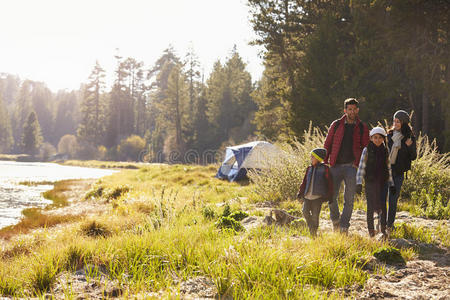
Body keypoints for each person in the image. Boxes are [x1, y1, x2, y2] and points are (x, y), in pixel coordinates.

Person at [324, 98, 369, 233]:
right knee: (331, 196)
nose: (352, 111)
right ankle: (335, 221)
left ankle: (344, 226)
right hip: (335, 166)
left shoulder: (362, 127)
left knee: (349, 199)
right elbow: (328, 144)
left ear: (357, 110)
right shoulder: (336, 125)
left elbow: (366, 148)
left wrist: (359, 165)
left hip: (352, 167)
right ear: (345, 110)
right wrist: (324, 162)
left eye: (354, 109)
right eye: (349, 109)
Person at [356, 127, 395, 238]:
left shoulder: (385, 150)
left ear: (383, 139)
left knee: (383, 204)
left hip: (383, 182)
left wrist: (391, 184)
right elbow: (361, 167)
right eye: (375, 138)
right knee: (370, 206)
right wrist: (359, 183)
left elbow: (388, 168)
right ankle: (371, 230)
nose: (377, 140)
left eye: (380, 138)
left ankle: (383, 229)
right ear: (371, 138)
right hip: (370, 181)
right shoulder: (367, 150)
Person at [386, 110, 417, 231]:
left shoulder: (410, 138)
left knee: (393, 200)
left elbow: (414, 156)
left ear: (404, 123)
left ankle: (390, 225)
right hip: (386, 171)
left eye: (398, 121)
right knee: (383, 198)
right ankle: (382, 223)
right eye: (394, 121)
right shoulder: (388, 136)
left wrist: (409, 146)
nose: (395, 123)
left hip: (398, 174)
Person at [297, 148, 333, 237]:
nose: (311, 159)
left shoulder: (325, 169)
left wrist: (330, 196)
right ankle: (311, 226)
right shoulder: (309, 168)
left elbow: (330, 183)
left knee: (315, 215)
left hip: (318, 197)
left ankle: (314, 232)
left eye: (313, 157)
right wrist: (300, 193)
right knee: (305, 212)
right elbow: (304, 182)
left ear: (318, 158)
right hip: (307, 196)